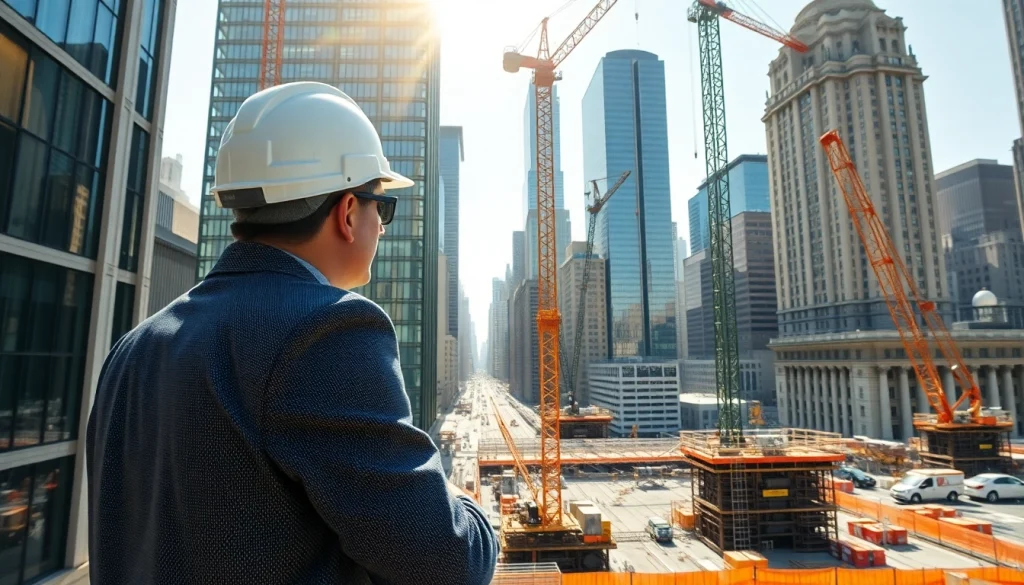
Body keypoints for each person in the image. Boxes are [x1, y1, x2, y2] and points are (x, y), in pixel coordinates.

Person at [86, 82, 499, 585]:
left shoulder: (133, 350)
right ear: (348, 212)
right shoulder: (327, 331)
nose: (383, 227)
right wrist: (470, 510)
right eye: (381, 207)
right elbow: (446, 561)